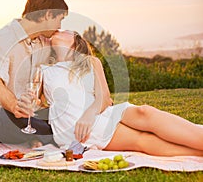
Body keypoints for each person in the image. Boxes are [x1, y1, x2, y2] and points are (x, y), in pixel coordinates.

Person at [41, 30, 203, 156]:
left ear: (75, 43)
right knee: (141, 141)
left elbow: (105, 98)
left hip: (97, 113)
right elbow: (36, 101)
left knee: (144, 111)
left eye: (66, 30)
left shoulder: (90, 62)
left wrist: (89, 114)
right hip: (78, 130)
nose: (59, 30)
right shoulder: (44, 70)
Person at [0, 0, 68, 146]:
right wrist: (16, 106)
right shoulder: (2, 40)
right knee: (12, 119)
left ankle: (42, 136)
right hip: (6, 118)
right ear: (48, 14)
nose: (60, 26)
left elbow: (70, 56)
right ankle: (59, 135)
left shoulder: (44, 42)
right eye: (59, 19)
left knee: (66, 113)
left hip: (35, 115)